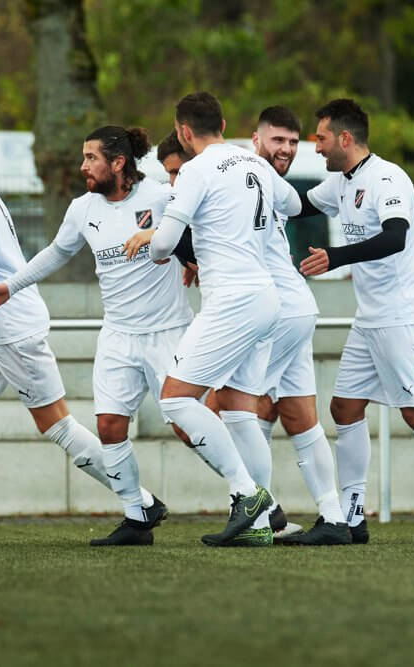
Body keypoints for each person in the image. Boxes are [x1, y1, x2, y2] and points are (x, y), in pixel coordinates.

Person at [0, 125, 177, 546]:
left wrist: (192, 260)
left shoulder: (160, 196)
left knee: (189, 423)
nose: (82, 165)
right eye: (83, 157)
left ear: (118, 163)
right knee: (108, 426)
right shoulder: (82, 207)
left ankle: (251, 501)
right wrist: (9, 287)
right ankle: (137, 516)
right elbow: (56, 252)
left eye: (91, 158)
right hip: (118, 333)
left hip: (169, 331)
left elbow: (194, 232)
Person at [298, 98, 414, 544]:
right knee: (344, 406)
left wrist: (336, 257)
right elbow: (299, 205)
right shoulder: (341, 182)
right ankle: (352, 516)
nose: (315, 146)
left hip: (403, 315)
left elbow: (396, 237)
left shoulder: (387, 177)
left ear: (345, 138)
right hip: (371, 318)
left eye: (320, 137)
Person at [149, 92, 302, 547]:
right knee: (239, 410)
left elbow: (162, 245)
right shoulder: (253, 163)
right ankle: (257, 527)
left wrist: (166, 243)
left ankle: (249, 496)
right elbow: (292, 205)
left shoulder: (195, 171)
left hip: (233, 300)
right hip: (266, 298)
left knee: (175, 401)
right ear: (224, 123)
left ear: (183, 131)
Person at [248, 106, 350, 545]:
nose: (287, 150)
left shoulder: (257, 179)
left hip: (279, 314)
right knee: (299, 416)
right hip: (295, 310)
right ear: (257, 139)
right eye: (279, 141)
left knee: (235, 409)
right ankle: (333, 519)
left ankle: (259, 517)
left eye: (293, 142)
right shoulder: (256, 177)